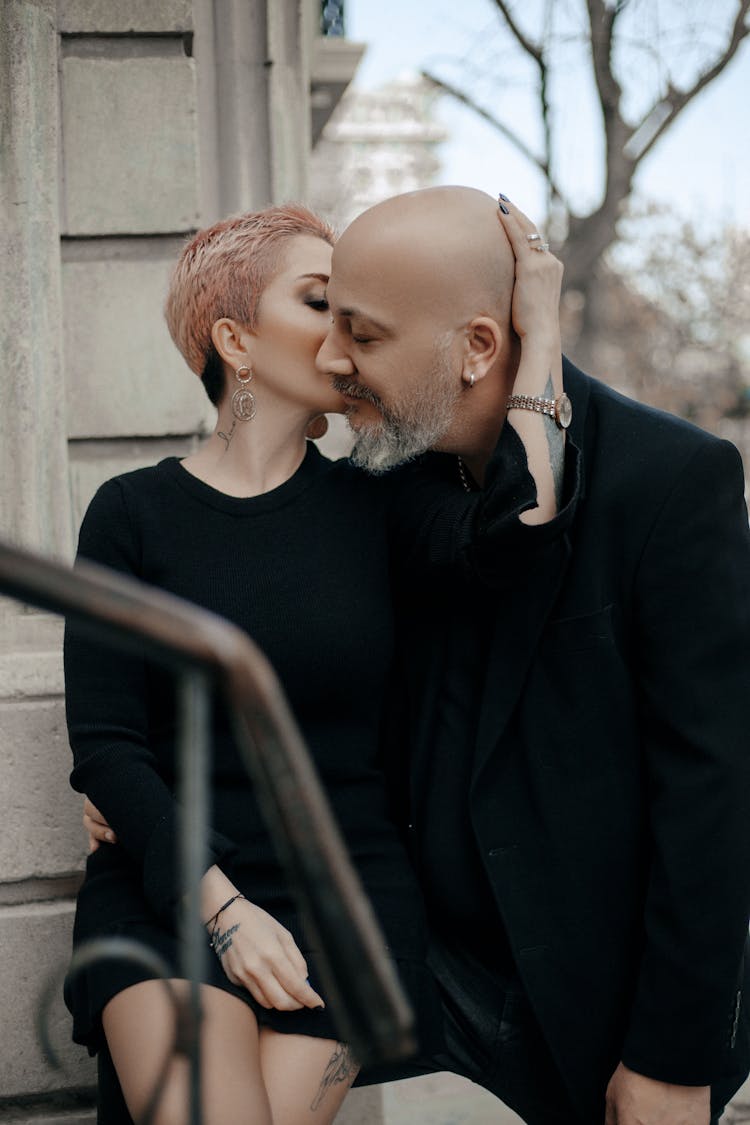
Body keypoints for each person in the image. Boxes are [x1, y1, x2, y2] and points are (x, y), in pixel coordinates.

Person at [67, 199, 570, 1125]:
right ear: (236, 339)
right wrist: (222, 911)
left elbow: (522, 526)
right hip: (169, 893)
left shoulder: (381, 505)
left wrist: (537, 342)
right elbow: (107, 745)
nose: (345, 339)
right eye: (319, 305)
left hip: (350, 906)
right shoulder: (129, 515)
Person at [309, 185, 750, 1124]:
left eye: (365, 333)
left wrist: (670, 1054)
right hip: (412, 982)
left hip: (592, 1016)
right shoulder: (382, 479)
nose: (330, 358)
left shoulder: (670, 481)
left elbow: (713, 787)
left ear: (478, 346)